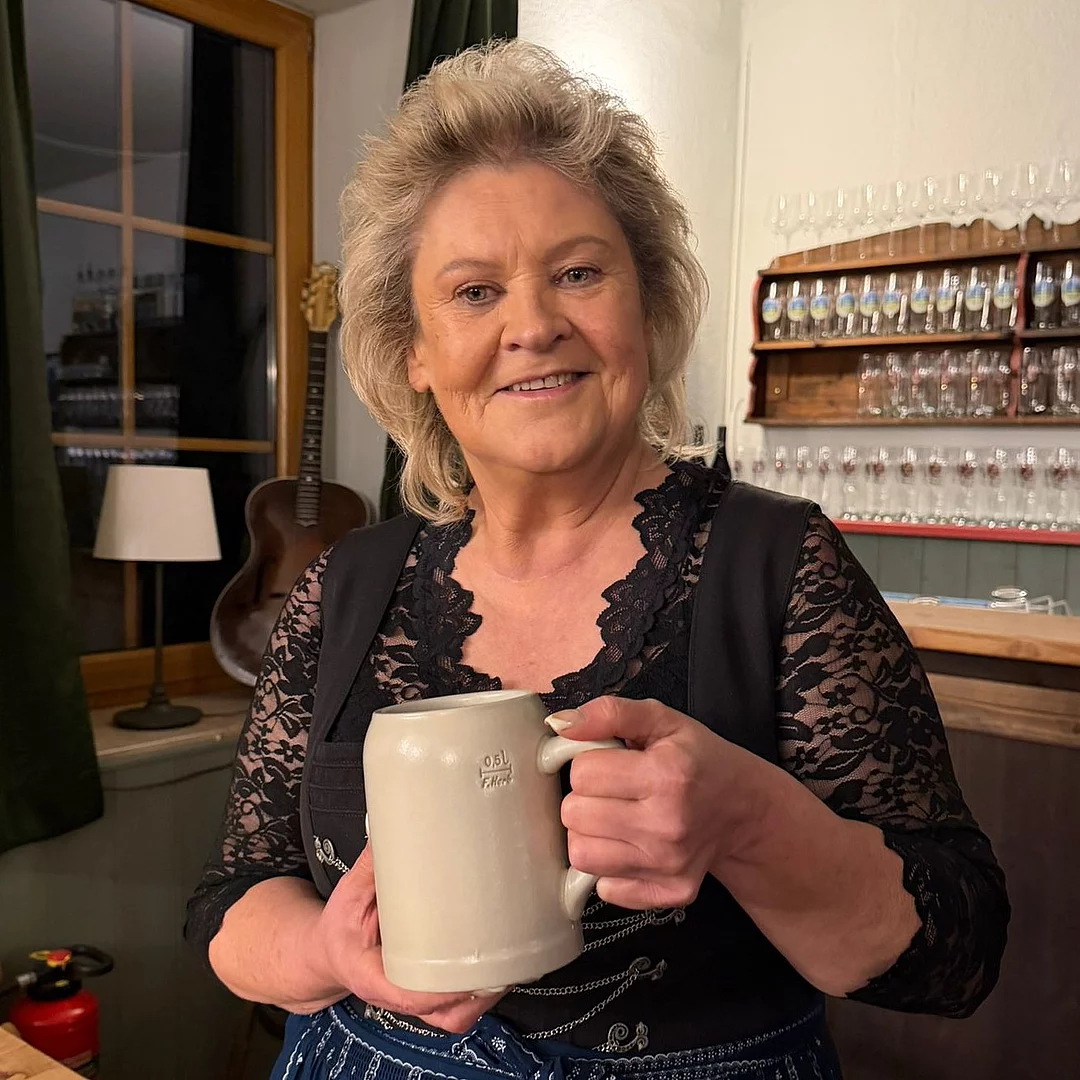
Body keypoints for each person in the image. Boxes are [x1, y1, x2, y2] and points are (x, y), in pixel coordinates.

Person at [185, 40, 1009, 1080]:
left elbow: (957, 955)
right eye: (474, 292)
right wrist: (326, 953)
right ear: (414, 352)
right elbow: (232, 897)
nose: (533, 325)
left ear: (647, 311)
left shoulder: (779, 567)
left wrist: (746, 821)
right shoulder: (343, 585)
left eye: (578, 273)